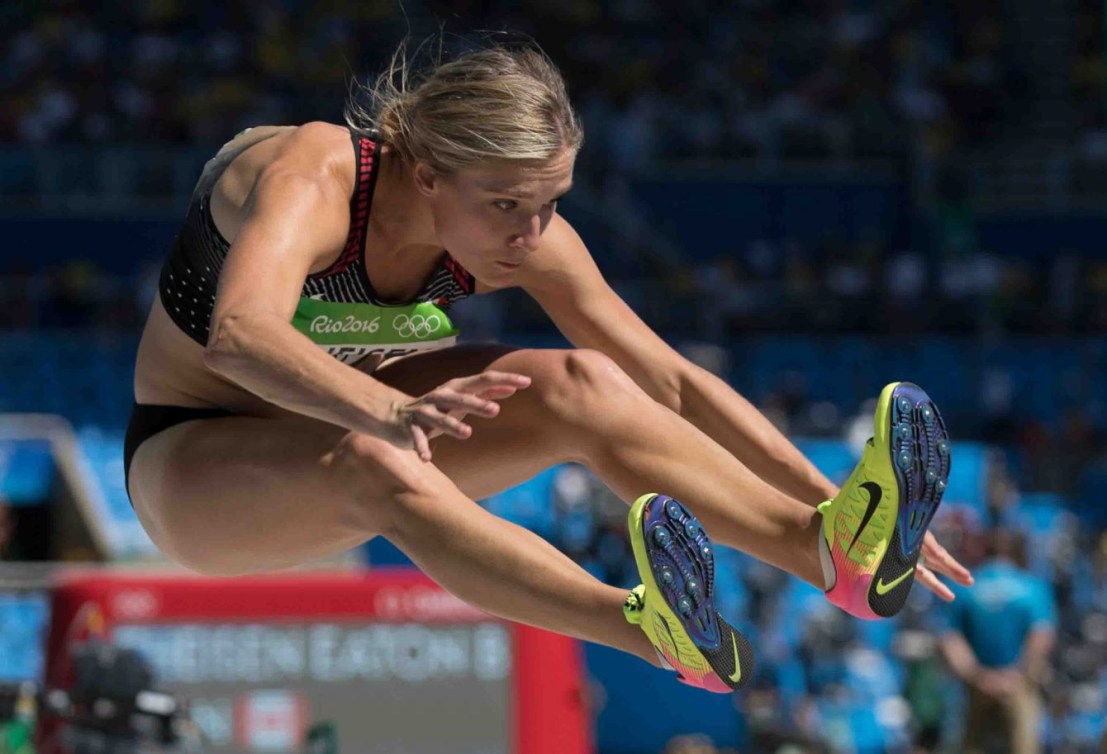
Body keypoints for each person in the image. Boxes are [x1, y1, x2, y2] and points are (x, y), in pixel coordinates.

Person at [124, 40, 971, 693]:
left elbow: (668, 382)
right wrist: (380, 411)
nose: (530, 237)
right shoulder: (310, 178)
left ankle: (823, 556)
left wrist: (827, 499)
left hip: (356, 426)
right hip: (194, 464)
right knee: (376, 451)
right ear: (425, 174)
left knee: (586, 384)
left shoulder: (519, 230)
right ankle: (648, 631)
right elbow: (239, 332)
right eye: (505, 207)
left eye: (549, 203)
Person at [940, 528, 1056, 754]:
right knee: (1023, 746)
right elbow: (1041, 636)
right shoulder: (1032, 587)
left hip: (977, 687)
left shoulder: (966, 587)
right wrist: (1018, 675)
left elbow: (951, 640)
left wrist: (978, 676)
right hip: (1018, 685)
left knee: (971, 746)